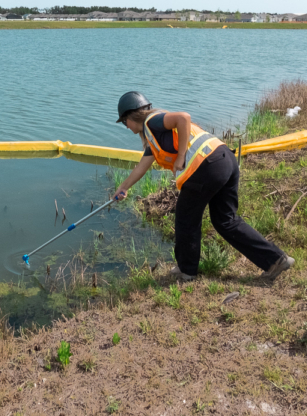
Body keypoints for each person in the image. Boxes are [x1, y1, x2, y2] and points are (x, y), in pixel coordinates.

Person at [113, 91, 294, 283]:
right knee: (226, 220)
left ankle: (187, 271)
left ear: (131, 116)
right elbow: (142, 166)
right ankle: (276, 260)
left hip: (206, 167)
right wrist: (123, 187)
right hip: (225, 160)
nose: (126, 127)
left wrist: (181, 156)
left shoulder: (152, 121)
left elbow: (183, 117)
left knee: (186, 220)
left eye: (124, 123)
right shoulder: (153, 135)